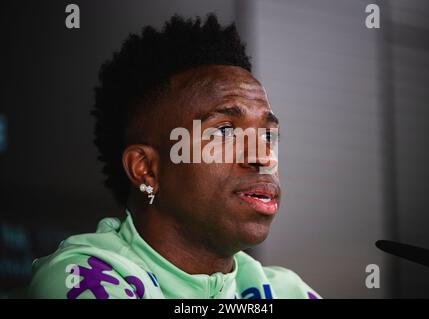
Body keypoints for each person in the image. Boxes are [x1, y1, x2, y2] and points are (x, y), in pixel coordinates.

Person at [28, 14, 320, 299]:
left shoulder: (285, 290)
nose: (264, 156)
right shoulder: (81, 276)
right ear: (146, 170)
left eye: (268, 135)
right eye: (225, 131)